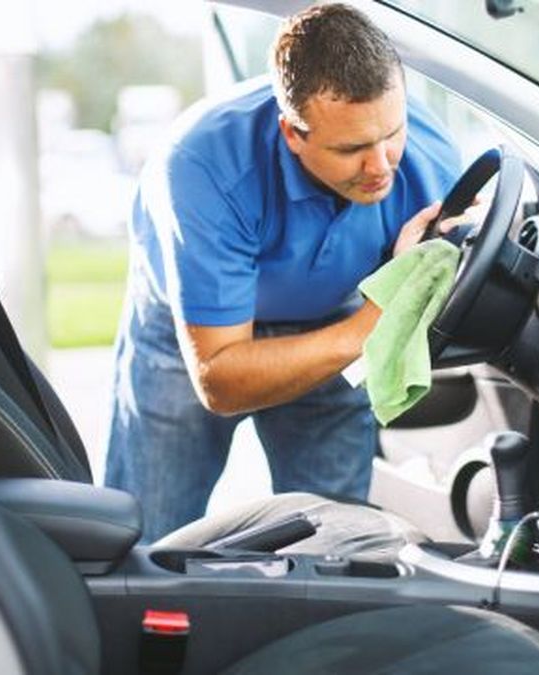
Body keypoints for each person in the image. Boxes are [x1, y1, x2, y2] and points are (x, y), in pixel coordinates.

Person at [104, 2, 460, 542]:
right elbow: (220, 379)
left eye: (392, 132)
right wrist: (372, 324)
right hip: (192, 338)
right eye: (351, 149)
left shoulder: (431, 161)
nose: (381, 165)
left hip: (335, 314)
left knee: (335, 546)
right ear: (292, 133)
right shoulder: (203, 167)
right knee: (147, 543)